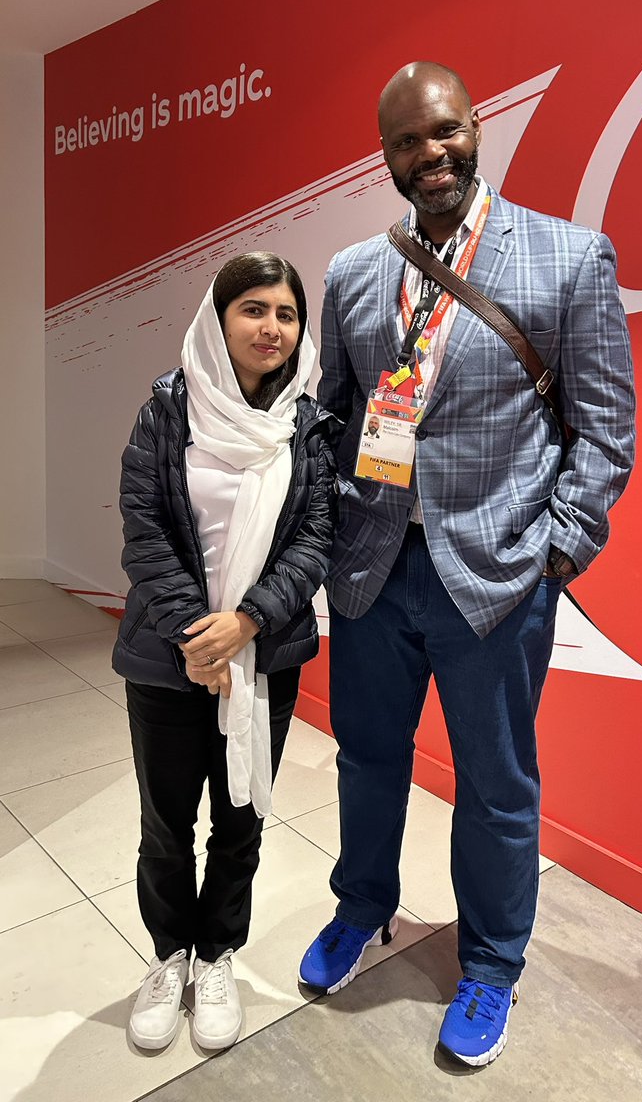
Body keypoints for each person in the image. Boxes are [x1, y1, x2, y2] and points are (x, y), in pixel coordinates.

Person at [298, 62, 635, 1066]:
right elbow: (338, 412)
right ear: (387, 156)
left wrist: (556, 552)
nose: (428, 155)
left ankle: (490, 963)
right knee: (366, 760)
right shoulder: (356, 272)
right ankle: (362, 909)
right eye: (405, 142)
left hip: (494, 578)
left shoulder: (569, 258)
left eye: (441, 131)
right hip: (369, 574)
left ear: (473, 126)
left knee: (495, 782)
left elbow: (606, 430)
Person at [112, 252, 336, 1052]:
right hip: (168, 659)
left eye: (285, 313)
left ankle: (216, 955)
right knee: (166, 826)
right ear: (217, 317)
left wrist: (245, 622)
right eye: (253, 308)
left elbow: (316, 537)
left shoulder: (307, 425)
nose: (270, 327)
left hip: (263, 652)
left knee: (238, 822)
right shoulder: (167, 411)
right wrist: (193, 634)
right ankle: (169, 954)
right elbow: (145, 529)